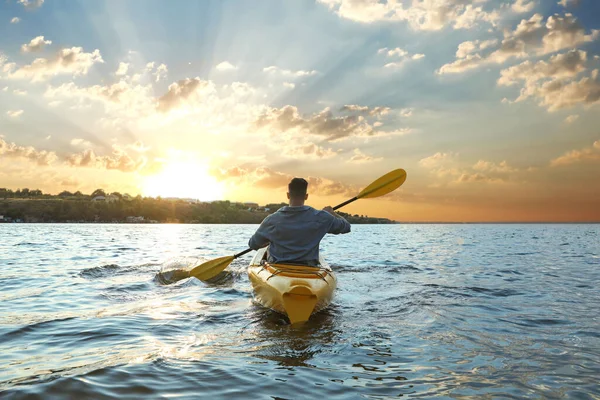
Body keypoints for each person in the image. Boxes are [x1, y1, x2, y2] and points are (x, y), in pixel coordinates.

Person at [248, 177, 351, 266]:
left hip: (278, 268)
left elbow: (253, 244)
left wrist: (269, 240)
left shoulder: (272, 219)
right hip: (309, 268)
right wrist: (332, 213)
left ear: (288, 195)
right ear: (306, 196)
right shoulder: (322, 217)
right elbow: (346, 227)